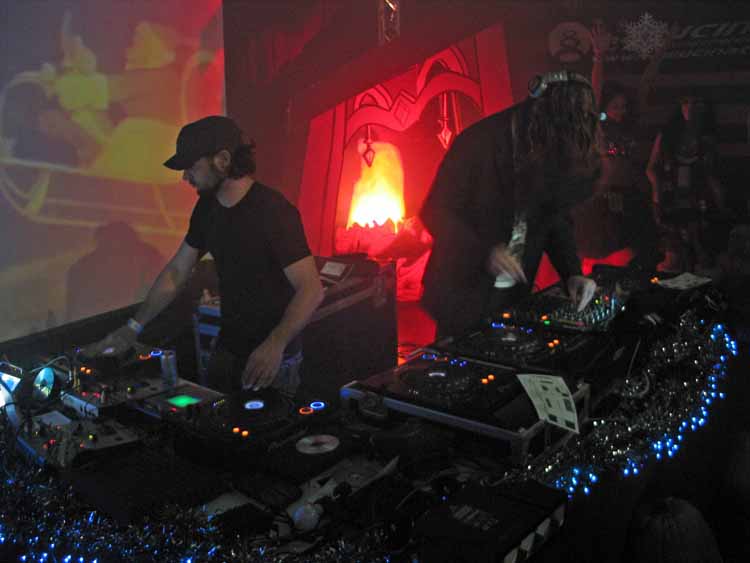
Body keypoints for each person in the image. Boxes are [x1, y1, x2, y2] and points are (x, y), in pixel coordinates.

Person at [82, 116, 324, 396]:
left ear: (222, 160)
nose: (185, 177)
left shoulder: (273, 211)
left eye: (191, 167)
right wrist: (132, 328)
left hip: (271, 358)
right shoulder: (207, 209)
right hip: (228, 347)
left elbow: (311, 289)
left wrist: (275, 344)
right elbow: (176, 273)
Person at [420, 70, 599, 338]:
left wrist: (572, 273)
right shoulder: (477, 142)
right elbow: (436, 212)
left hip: (514, 292)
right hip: (462, 289)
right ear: (540, 116)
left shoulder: (549, 144)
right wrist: (486, 252)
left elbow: (555, 216)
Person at [572, 21, 660, 269]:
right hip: (603, 200)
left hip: (630, 196)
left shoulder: (630, 126)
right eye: (616, 107)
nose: (621, 111)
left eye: (624, 107)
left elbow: (645, 87)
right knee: (599, 252)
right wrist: (598, 57)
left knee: (639, 254)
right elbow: (594, 91)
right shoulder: (597, 128)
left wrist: (659, 56)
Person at [646, 91, 725, 271]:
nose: (690, 107)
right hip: (671, 197)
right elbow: (651, 168)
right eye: (685, 102)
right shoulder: (668, 134)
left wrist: (720, 201)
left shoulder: (706, 139)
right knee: (672, 256)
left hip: (698, 198)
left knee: (702, 253)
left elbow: (710, 173)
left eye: (696, 103)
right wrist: (657, 195)